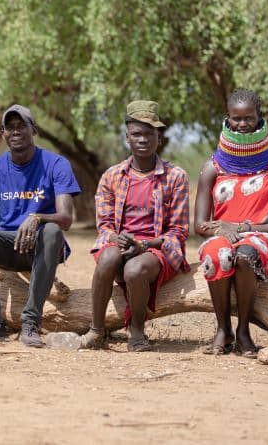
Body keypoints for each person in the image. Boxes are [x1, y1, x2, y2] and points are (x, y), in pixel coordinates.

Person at [0, 105, 81, 347]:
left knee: (53, 229)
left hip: (42, 245)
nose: (15, 131)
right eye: (9, 127)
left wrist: (38, 217)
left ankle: (30, 323)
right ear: (2, 134)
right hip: (8, 247)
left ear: (33, 129)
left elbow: (66, 219)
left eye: (21, 125)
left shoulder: (56, 164)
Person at [194, 89, 268, 357]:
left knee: (244, 254)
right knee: (215, 253)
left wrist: (244, 229)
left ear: (259, 117)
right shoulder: (213, 167)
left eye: (248, 118)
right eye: (236, 118)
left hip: (262, 239)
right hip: (224, 235)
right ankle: (223, 330)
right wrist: (223, 228)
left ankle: (243, 331)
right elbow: (199, 225)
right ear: (227, 119)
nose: (242, 125)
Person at [83, 101, 189, 352]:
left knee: (134, 269)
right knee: (108, 259)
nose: (143, 139)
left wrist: (145, 245)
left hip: (156, 250)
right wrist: (118, 239)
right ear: (127, 138)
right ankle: (96, 330)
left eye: (149, 134)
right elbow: (105, 224)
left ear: (158, 138)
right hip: (121, 244)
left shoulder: (176, 177)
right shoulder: (112, 176)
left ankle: (137, 332)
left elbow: (178, 231)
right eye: (136, 134)